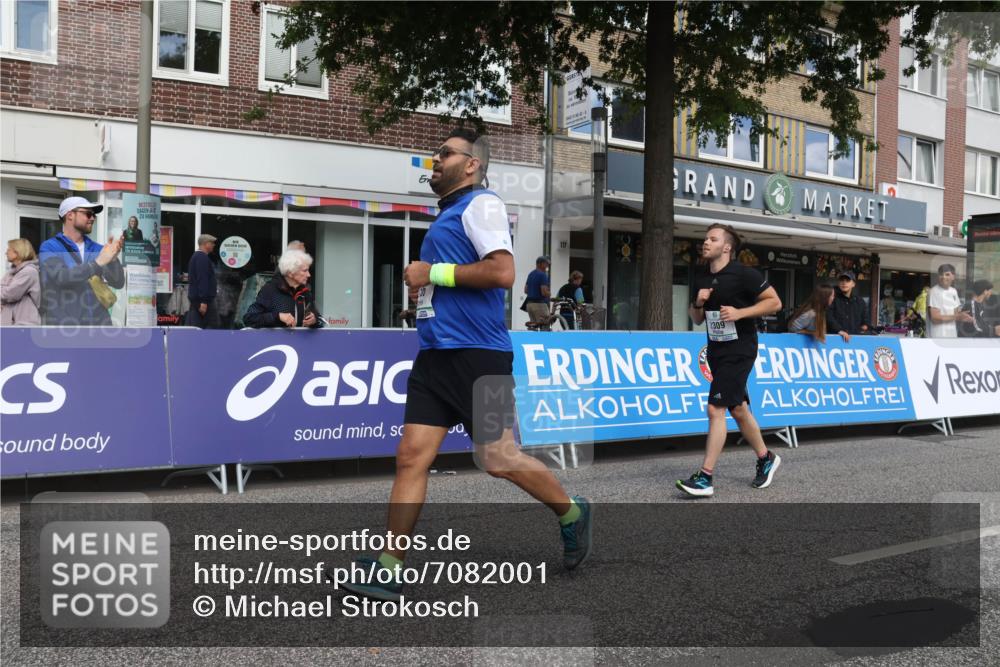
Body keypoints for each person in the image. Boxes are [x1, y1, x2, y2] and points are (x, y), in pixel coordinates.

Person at [341, 128, 592, 602]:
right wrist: (425, 295)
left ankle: (573, 512)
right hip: (436, 355)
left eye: (445, 154)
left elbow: (502, 272)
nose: (435, 160)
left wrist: (429, 273)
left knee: (499, 458)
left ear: (472, 164)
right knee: (411, 457)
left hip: (482, 357)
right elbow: (458, 279)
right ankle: (390, 567)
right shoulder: (452, 214)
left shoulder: (483, 205)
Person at [678, 223, 783, 498]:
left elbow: (775, 302)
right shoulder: (701, 277)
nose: (706, 242)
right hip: (717, 350)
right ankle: (765, 457)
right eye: (705, 238)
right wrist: (698, 303)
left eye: (712, 239)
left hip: (740, 349)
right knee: (738, 409)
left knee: (716, 409)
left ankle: (705, 477)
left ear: (726, 247)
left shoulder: (744, 274)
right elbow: (697, 318)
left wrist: (740, 313)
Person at [39, 196, 125, 326]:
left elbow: (118, 282)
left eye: (94, 215)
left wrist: (113, 261)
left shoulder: (98, 249)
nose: (92, 218)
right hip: (64, 329)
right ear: (70, 215)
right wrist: (97, 263)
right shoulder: (49, 247)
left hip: (99, 328)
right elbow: (62, 277)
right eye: (88, 213)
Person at [243, 249, 323, 328]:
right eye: (304, 271)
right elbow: (249, 318)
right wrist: (277, 316)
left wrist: (315, 320)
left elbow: (320, 320)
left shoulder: (305, 292)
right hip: (275, 341)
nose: (309, 275)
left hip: (301, 341)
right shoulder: (270, 290)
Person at [1, 239, 41, 326]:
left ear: (17, 252)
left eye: (8, 250)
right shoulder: (10, 273)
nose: (6, 253)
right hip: (9, 325)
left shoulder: (29, 272)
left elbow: (10, 294)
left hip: (24, 325)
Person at [927, 263, 972, 338]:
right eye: (941, 274)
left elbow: (956, 313)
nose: (943, 277)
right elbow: (935, 318)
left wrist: (966, 317)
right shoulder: (934, 292)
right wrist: (957, 316)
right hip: (937, 338)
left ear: (953, 277)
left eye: (947, 274)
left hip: (952, 336)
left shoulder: (953, 291)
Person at [185, 234, 220, 328]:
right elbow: (202, 279)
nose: (214, 245)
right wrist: (203, 301)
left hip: (199, 301)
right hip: (203, 302)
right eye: (212, 243)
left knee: (196, 329)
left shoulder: (198, 257)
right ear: (205, 244)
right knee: (210, 329)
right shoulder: (202, 258)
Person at [829, 271, 870, 335]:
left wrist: (865, 325)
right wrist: (839, 330)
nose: (844, 283)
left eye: (847, 280)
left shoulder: (860, 301)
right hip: (835, 338)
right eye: (842, 280)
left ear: (853, 284)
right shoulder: (832, 299)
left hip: (854, 339)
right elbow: (828, 317)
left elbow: (865, 320)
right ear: (838, 283)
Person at [523, 255, 551, 324]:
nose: (547, 266)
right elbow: (544, 292)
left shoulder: (531, 274)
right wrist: (549, 293)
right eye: (546, 264)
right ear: (540, 264)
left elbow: (526, 290)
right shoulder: (543, 275)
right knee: (544, 326)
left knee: (534, 326)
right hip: (540, 305)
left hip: (530, 305)